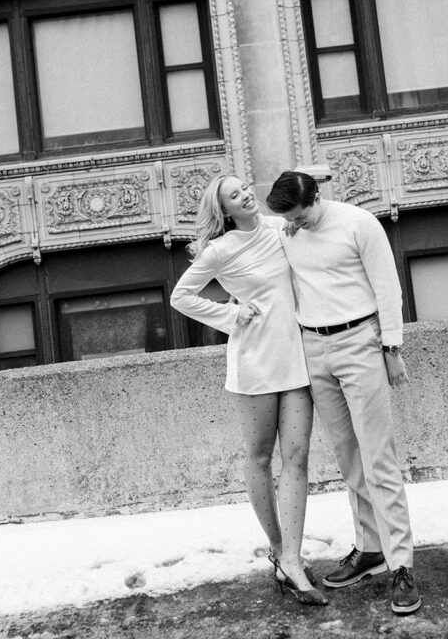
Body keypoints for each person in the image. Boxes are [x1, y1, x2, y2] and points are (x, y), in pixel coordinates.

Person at [266, 169, 422, 616]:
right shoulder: (288, 224)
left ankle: (402, 566)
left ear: (316, 198)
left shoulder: (359, 223)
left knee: (379, 458)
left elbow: (388, 288)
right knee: (348, 457)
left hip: (362, 341)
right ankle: (370, 547)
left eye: (302, 215)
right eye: (291, 218)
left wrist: (392, 347)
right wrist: (293, 214)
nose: (299, 224)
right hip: (312, 347)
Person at [170, 174, 327, 606]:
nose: (245, 196)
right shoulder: (219, 251)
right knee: (260, 458)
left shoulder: (279, 228)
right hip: (255, 363)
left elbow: (313, 219)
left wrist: (316, 182)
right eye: (234, 195)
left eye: (245, 189)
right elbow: (181, 297)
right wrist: (230, 313)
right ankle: (278, 550)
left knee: (297, 456)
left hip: (295, 357)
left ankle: (293, 559)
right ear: (225, 211)